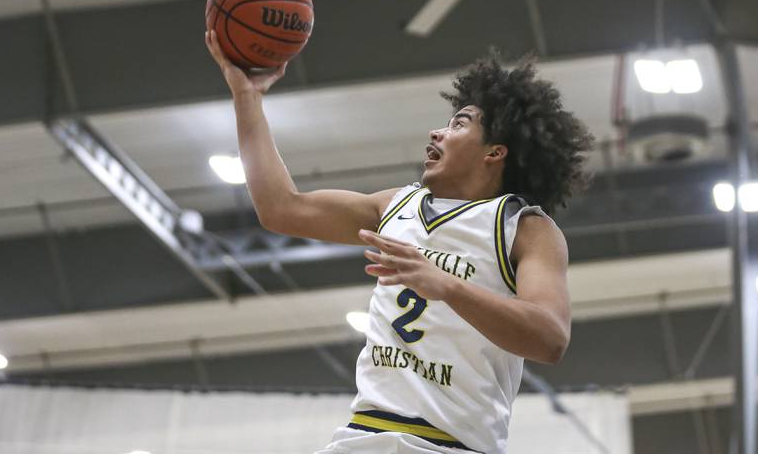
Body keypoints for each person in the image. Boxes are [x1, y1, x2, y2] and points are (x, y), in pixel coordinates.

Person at [205, 29, 593, 454]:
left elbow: (549, 338)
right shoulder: (396, 204)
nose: (437, 132)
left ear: (494, 152)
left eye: (458, 123)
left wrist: (447, 285)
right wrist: (247, 98)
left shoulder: (524, 227)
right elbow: (280, 208)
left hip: (450, 445)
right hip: (363, 436)